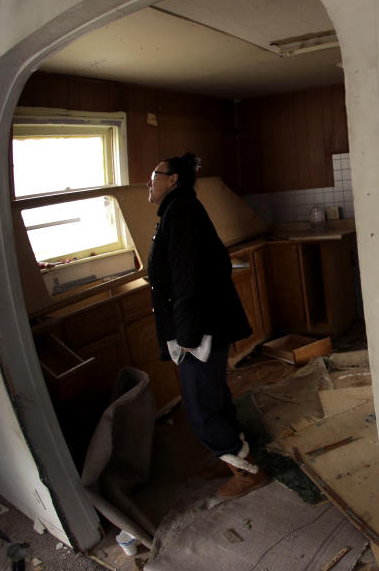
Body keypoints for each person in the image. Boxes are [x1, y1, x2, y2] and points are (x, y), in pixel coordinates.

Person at [146, 152, 268, 498]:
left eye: (155, 175)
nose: (149, 182)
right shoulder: (177, 211)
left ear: (174, 180)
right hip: (199, 325)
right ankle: (234, 454)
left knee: (201, 403)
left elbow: (188, 279)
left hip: (197, 330)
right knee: (212, 394)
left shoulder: (181, 212)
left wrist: (186, 335)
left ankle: (247, 473)